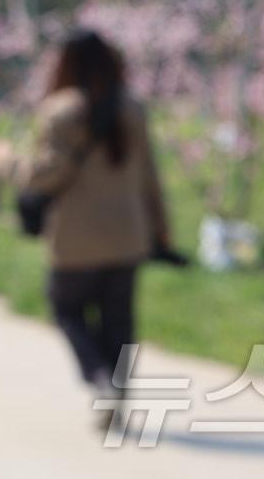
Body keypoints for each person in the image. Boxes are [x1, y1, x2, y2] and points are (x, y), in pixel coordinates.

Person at [20, 29, 171, 409]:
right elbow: (150, 178)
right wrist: (161, 231)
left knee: (66, 308)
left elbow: (44, 174)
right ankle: (118, 388)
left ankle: (100, 378)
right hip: (127, 234)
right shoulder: (132, 109)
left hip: (75, 236)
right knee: (118, 320)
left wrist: (6, 161)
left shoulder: (61, 111)